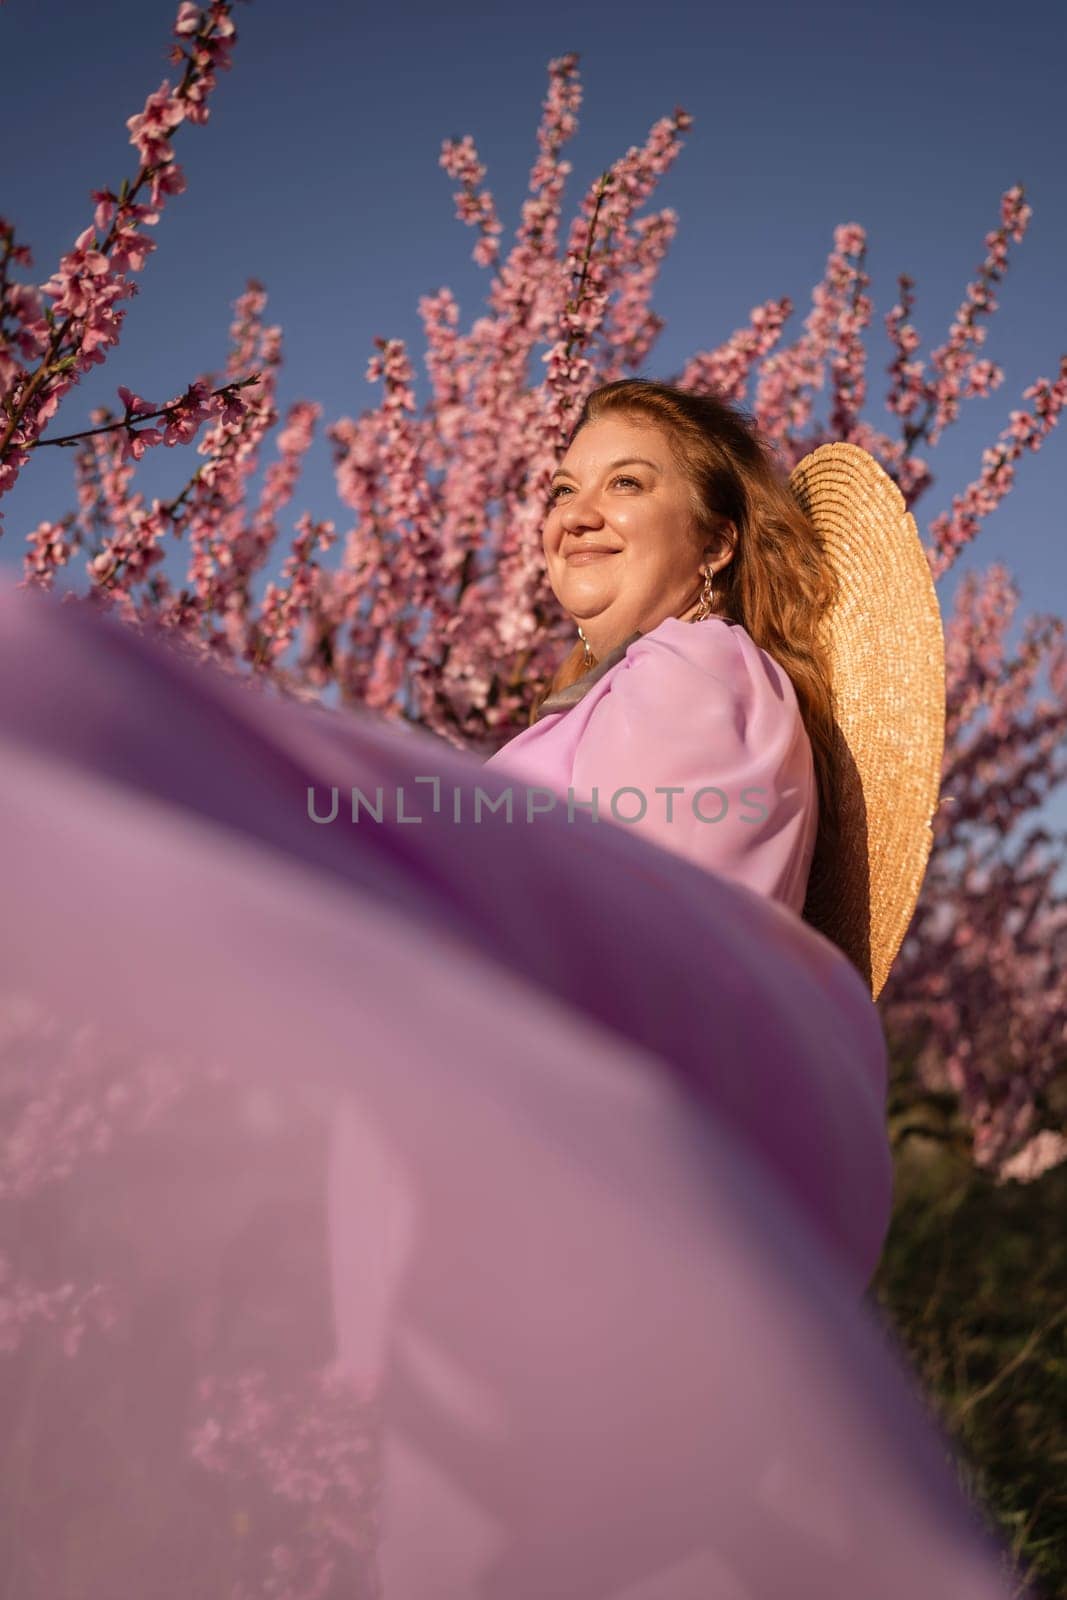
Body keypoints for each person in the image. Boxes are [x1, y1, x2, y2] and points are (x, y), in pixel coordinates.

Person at [0, 381, 1015, 1598]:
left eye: (626, 484)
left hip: (579, 1275)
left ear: (719, 537)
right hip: (504, 1272)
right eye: (560, 487)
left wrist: (309, 833)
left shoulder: (697, 674)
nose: (574, 514)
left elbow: (619, 926)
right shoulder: (615, 698)